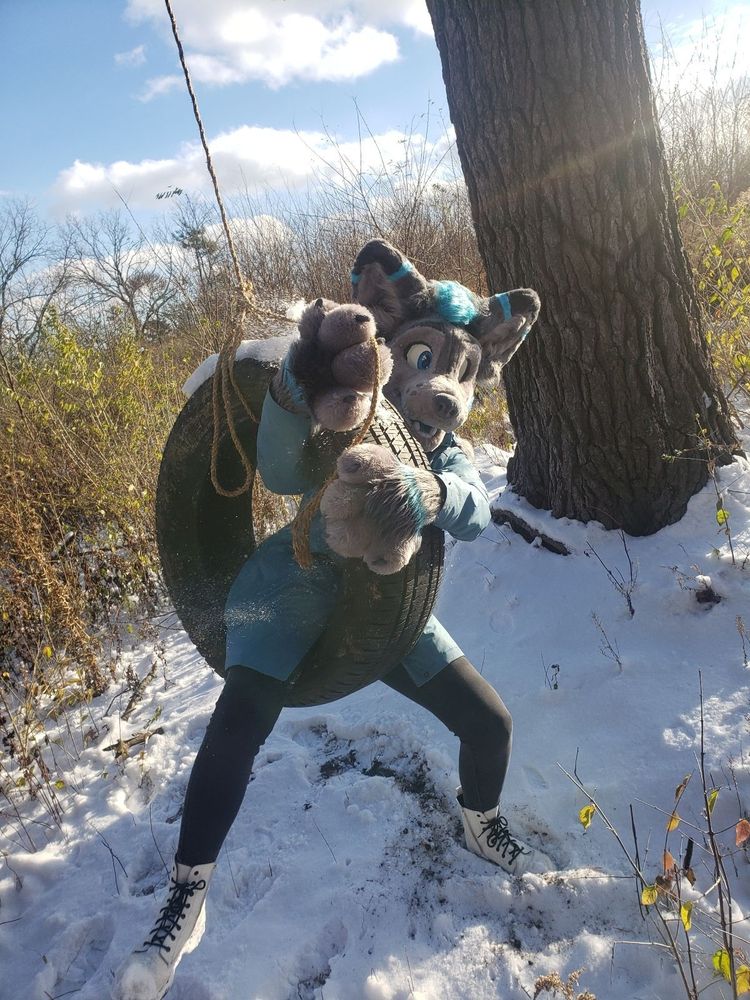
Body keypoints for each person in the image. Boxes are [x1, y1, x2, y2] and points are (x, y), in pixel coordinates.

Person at [114, 242, 552, 1000]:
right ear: (392, 348)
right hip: (293, 593)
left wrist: (434, 494)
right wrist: (294, 392)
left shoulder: (445, 452)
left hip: (390, 616)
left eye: (460, 371)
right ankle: (187, 898)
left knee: (491, 724)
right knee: (237, 721)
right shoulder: (349, 415)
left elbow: (475, 507)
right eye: (422, 358)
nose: (439, 385)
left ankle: (480, 819)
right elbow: (282, 473)